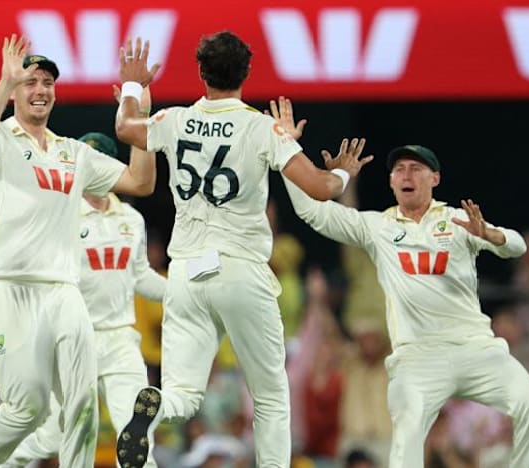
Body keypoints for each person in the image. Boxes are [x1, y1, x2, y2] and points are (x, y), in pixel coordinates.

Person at [112, 32, 370, 467]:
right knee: (270, 396)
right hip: (240, 270)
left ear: (201, 73)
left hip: (186, 272)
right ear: (246, 73)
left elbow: (124, 128)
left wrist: (134, 87)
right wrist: (343, 174)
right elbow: (320, 188)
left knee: (185, 394)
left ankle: (157, 403)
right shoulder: (260, 127)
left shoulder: (174, 120)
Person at [272, 99, 529, 467]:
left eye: (416, 169)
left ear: (434, 179)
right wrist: (286, 145)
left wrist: (492, 235)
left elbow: (518, 246)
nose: (405, 175)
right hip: (417, 358)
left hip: (475, 348)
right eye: (398, 169)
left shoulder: (458, 220)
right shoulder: (378, 227)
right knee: (408, 435)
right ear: (389, 181)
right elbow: (313, 213)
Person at [0, 34, 158, 468]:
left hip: (62, 291)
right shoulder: (1, 137)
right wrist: (3, 84)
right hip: (5, 287)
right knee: (26, 408)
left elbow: (141, 183)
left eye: (47, 82)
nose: (40, 89)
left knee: (81, 399)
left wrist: (141, 113)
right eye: (30, 82)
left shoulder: (75, 153)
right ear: (15, 92)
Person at [1, 129, 166, 468]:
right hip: (74, 339)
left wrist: (184, 292)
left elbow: (140, 277)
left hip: (121, 338)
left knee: (137, 442)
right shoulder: (59, 214)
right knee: (49, 435)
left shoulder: (131, 220)